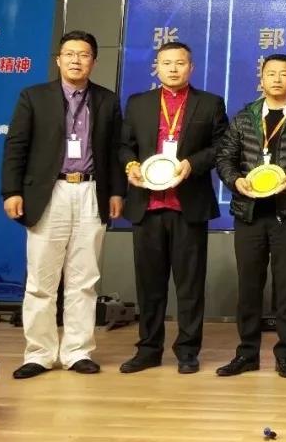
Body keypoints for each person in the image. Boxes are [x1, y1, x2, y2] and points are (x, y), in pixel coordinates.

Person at [2, 31, 124, 378]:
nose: (75, 60)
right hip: (48, 192)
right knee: (42, 279)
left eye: (83, 55)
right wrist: (12, 190)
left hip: (90, 191)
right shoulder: (34, 97)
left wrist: (116, 192)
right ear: (58, 60)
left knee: (84, 279)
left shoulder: (107, 100)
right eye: (69, 54)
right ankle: (39, 353)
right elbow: (16, 146)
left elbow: (115, 151)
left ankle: (77, 351)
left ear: (93, 62)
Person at [118, 41, 228, 374]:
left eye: (180, 63)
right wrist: (131, 166)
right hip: (147, 206)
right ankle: (148, 349)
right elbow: (124, 145)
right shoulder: (138, 103)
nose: (173, 69)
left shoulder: (209, 103)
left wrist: (192, 164)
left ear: (190, 67)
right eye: (166, 63)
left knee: (189, 285)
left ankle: (188, 351)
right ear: (157, 67)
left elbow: (221, 146)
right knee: (149, 285)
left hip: (188, 206)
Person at [213, 54, 286, 378]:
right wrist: (235, 181)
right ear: (260, 78)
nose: (276, 79)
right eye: (270, 73)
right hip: (248, 213)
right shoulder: (243, 117)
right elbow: (224, 158)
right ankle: (247, 353)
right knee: (249, 287)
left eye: (283, 74)